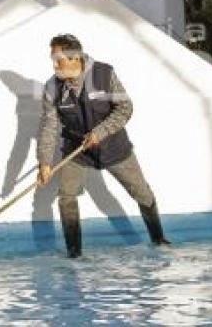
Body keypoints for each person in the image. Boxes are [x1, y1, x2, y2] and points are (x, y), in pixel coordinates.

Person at [36, 34, 168, 257]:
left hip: (114, 148)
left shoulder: (105, 74)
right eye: (53, 58)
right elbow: (49, 126)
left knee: (142, 194)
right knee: (66, 196)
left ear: (75, 57)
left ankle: (159, 239)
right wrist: (45, 162)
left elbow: (125, 108)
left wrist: (101, 132)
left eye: (58, 59)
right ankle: (74, 254)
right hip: (77, 151)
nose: (54, 64)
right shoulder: (52, 87)